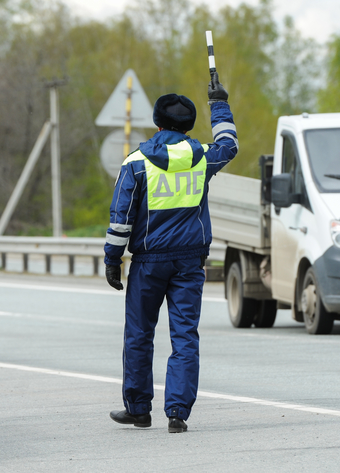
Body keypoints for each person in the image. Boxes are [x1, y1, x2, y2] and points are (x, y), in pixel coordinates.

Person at [104, 71, 238, 433]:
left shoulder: (136, 162)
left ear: (157, 122)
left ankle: (139, 409)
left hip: (148, 263)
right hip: (190, 262)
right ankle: (177, 413)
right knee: (184, 336)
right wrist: (219, 104)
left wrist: (112, 260)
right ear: (189, 124)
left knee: (139, 334)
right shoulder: (202, 158)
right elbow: (230, 146)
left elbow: (121, 219)